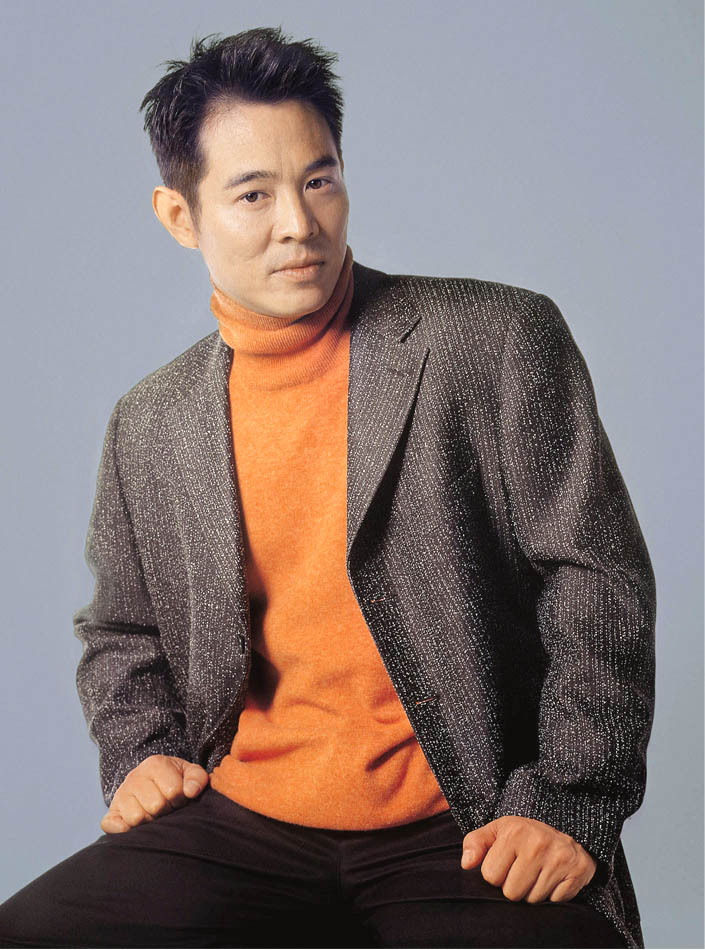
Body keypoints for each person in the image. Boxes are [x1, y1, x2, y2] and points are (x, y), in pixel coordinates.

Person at [0, 26, 655, 950]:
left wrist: (567, 801)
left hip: (463, 822)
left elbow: (598, 578)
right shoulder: (150, 421)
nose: (298, 225)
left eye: (318, 180)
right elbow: (122, 630)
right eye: (253, 194)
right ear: (180, 215)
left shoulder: (495, 338)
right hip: (244, 820)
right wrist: (141, 753)